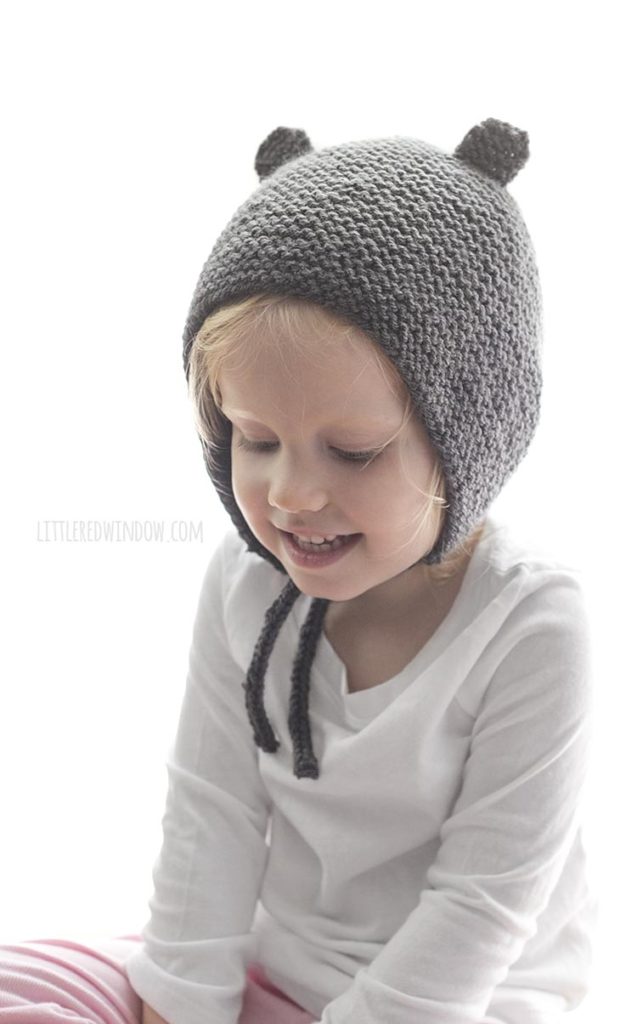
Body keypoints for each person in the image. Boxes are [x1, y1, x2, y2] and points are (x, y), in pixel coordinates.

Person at [0, 120, 598, 1024]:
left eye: (352, 453)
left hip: (465, 999)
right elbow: (212, 815)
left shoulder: (531, 625)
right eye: (256, 440)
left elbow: (483, 903)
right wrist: (181, 1002)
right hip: (273, 975)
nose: (288, 495)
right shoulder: (244, 585)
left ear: (465, 440)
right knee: (27, 981)